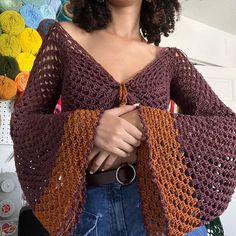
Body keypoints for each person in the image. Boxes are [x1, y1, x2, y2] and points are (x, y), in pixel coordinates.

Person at [10, 0, 236, 236]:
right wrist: (89, 128)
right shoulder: (64, 39)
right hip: (88, 212)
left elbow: (228, 127)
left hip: (163, 210)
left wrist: (146, 123)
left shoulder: (169, 60)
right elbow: (23, 122)